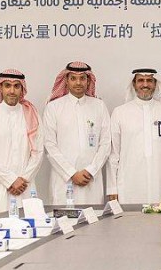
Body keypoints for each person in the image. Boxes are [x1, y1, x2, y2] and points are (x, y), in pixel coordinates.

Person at [106, 68, 161, 204]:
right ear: (134, 84)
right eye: (141, 80)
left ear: (155, 84)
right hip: (129, 185)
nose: (145, 84)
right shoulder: (120, 112)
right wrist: (112, 188)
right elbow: (113, 155)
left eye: (149, 80)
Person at [0, 69, 44, 215]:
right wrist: (11, 180)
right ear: (0, 88)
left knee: (28, 224)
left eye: (16, 86)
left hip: (25, 186)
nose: (12, 91)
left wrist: (24, 179)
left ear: (22, 89)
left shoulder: (32, 115)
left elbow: (38, 152)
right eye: (7, 86)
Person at [43, 62, 111, 205]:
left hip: (91, 180)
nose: (78, 82)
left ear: (88, 81)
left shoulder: (99, 106)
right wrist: (71, 173)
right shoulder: (53, 107)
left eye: (82, 78)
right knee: (64, 217)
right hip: (63, 180)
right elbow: (49, 145)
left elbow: (105, 143)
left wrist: (91, 170)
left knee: (94, 218)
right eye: (73, 78)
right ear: (66, 81)